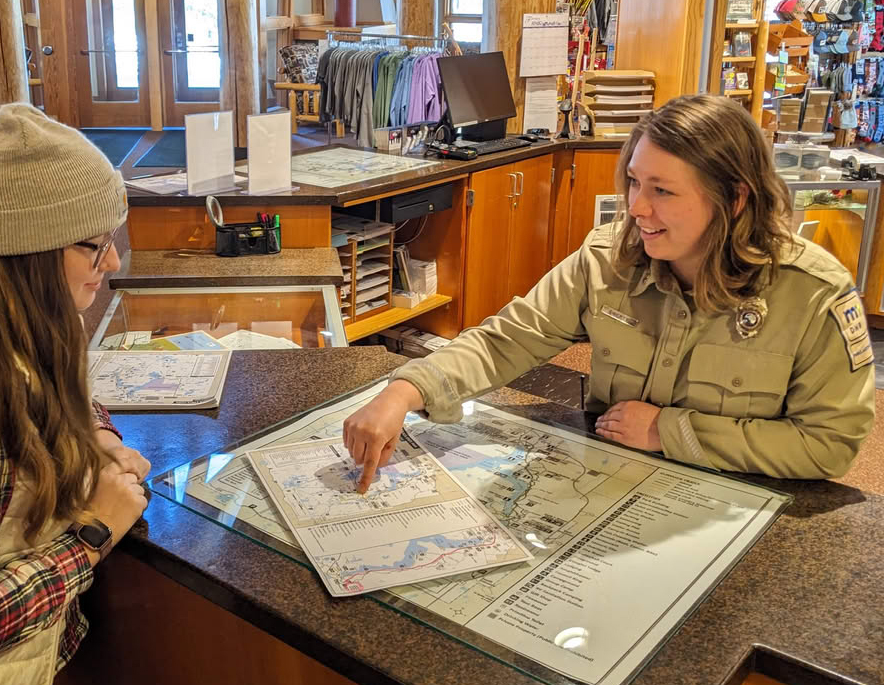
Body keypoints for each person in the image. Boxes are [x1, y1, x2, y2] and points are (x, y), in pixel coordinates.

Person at [344, 94, 875, 492]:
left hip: (740, 503)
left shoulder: (814, 294)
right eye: (634, 183)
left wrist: (671, 432)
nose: (637, 208)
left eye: (663, 191)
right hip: (608, 484)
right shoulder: (607, 259)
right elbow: (505, 341)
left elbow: (830, 444)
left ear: (735, 199)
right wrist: (404, 391)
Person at [0, 103, 150, 684]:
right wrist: (94, 533)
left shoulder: (26, 314)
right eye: (93, 245)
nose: (113, 260)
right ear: (30, 250)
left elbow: (58, 388)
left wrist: (95, 433)